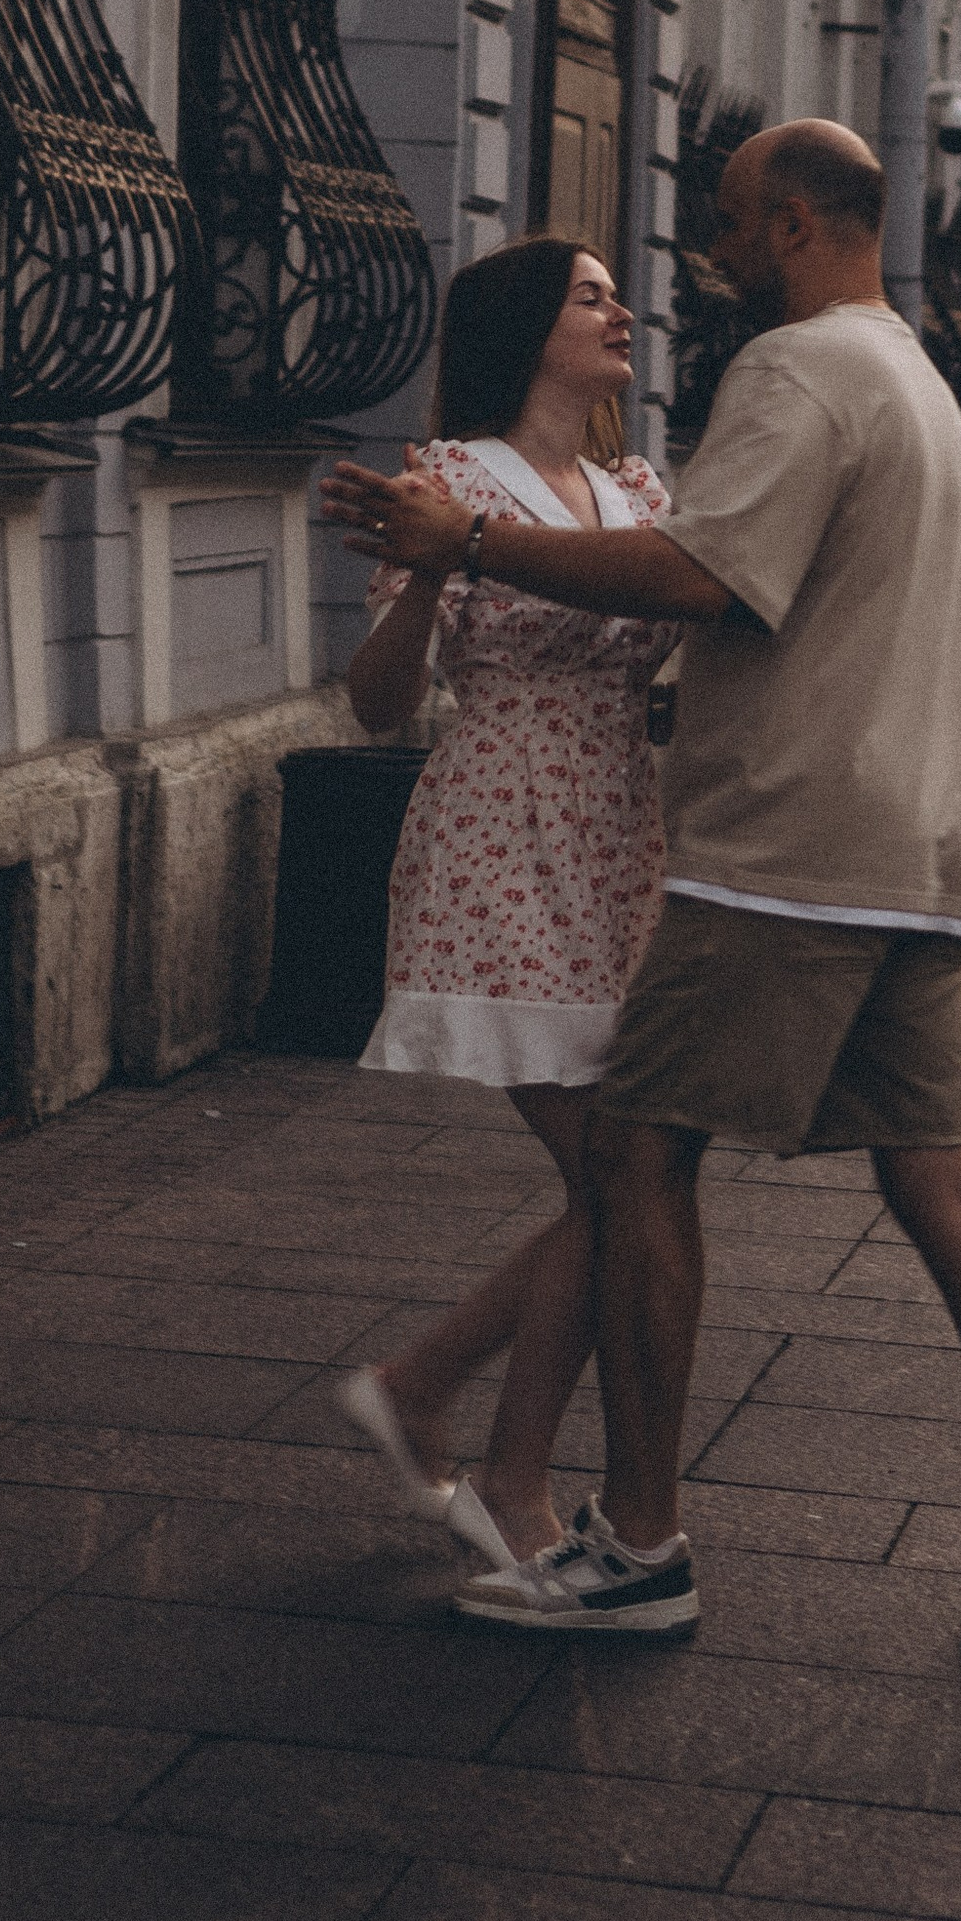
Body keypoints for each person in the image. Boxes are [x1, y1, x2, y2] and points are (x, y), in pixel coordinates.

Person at [323, 121, 961, 1660]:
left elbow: (704, 580)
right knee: (945, 1186)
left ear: (786, 225)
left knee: (636, 1160)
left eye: (723, 224)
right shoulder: (918, 379)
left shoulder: (797, 373)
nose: (702, 260)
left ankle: (637, 1546)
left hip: (785, 853)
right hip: (920, 855)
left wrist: (475, 541)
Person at [332, 234, 679, 1578]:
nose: (622, 312)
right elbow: (377, 704)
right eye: (592, 297)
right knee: (613, 1176)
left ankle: (427, 1392)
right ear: (529, 329)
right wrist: (426, 569)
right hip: (498, 831)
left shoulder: (637, 486)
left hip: (617, 836)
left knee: (623, 1179)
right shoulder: (448, 482)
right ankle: (502, 1473)